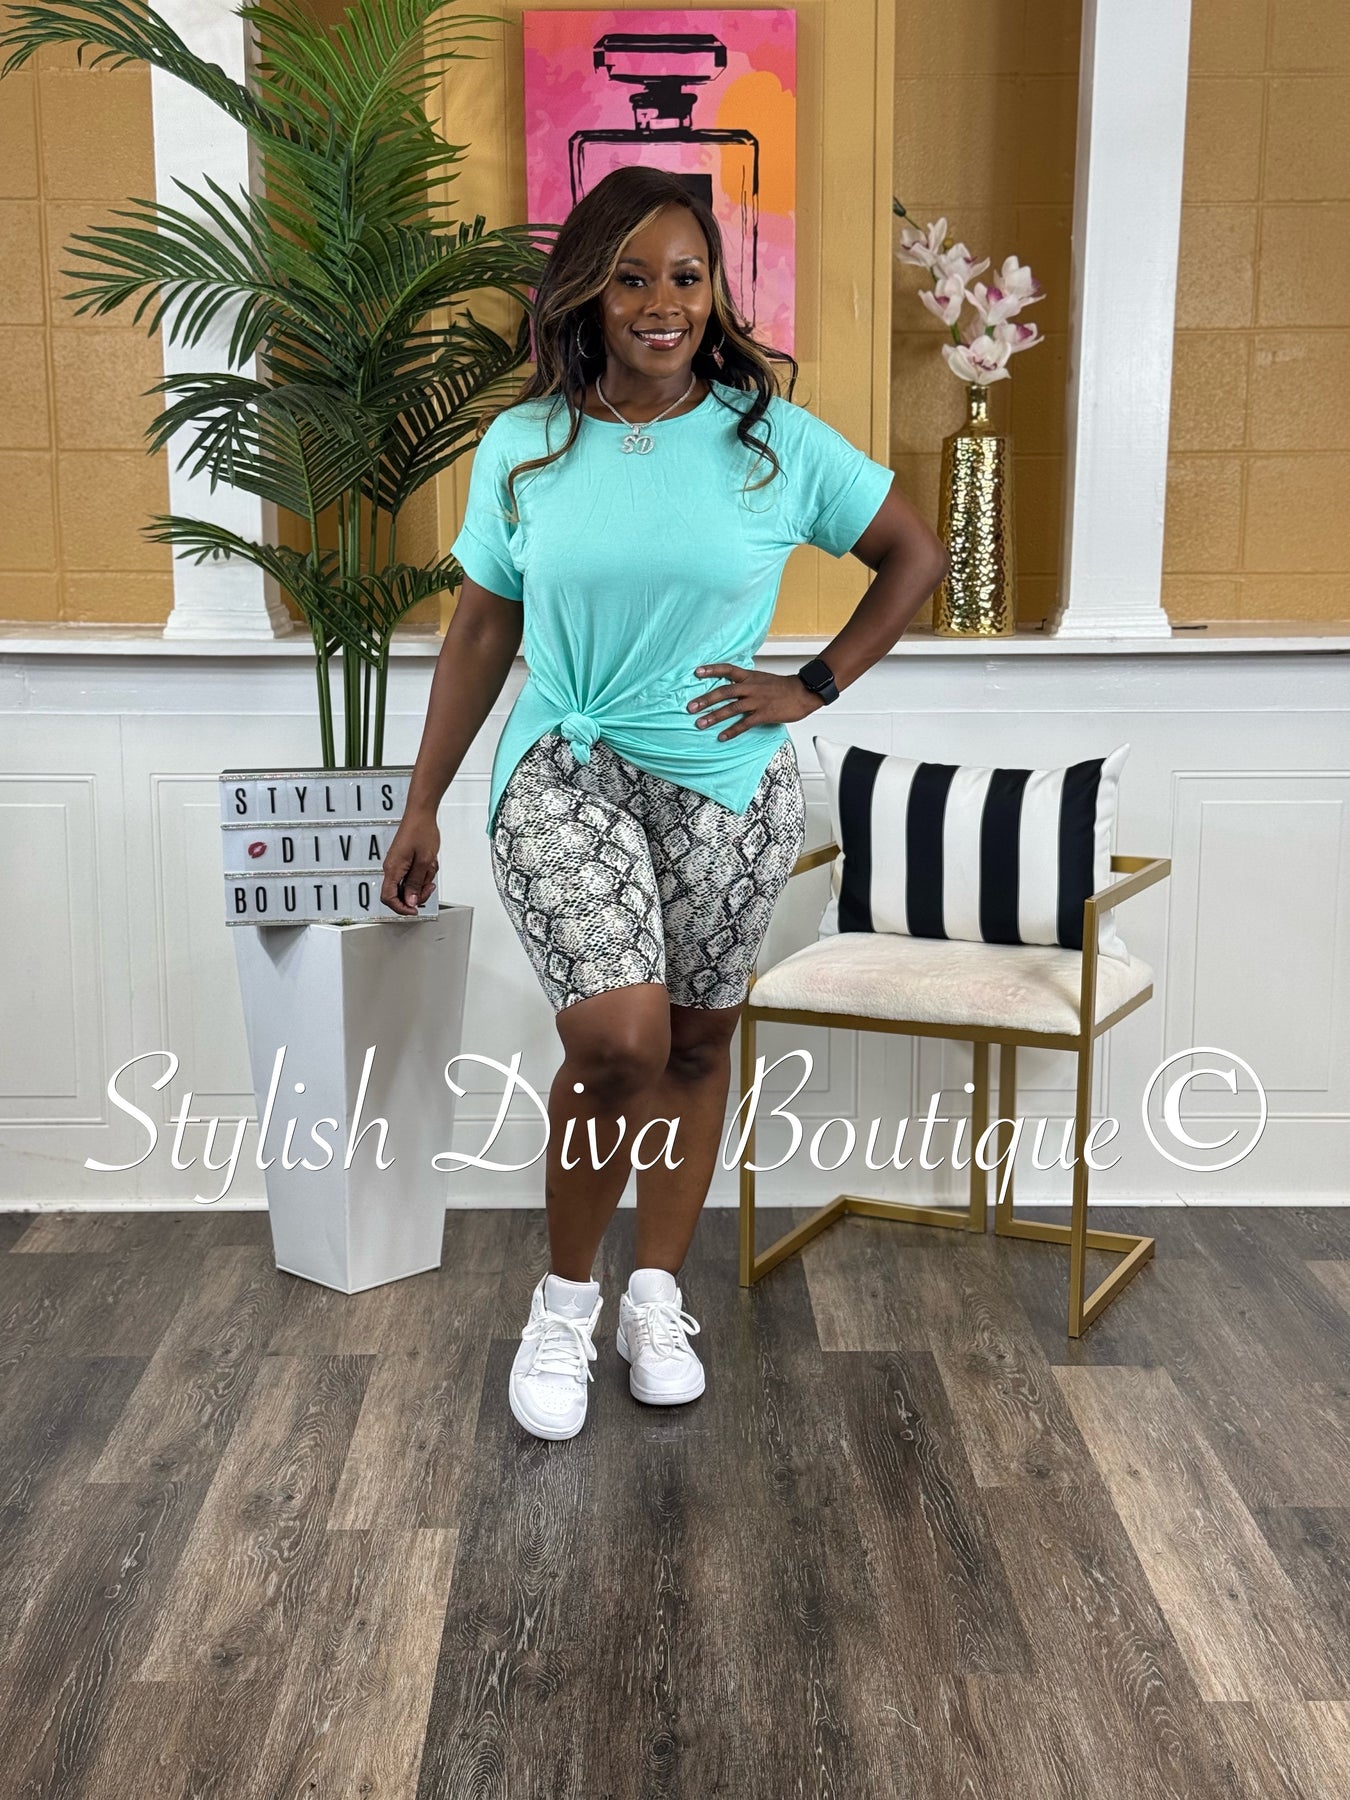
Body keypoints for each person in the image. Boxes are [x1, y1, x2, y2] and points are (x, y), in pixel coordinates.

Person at [381, 165, 948, 1442]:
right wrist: (421, 804)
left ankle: (653, 1299)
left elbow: (913, 555)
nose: (662, 303)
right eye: (632, 278)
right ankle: (562, 1306)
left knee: (694, 1044)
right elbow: (481, 631)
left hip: (726, 781)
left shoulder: (769, 440)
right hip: (565, 763)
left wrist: (811, 683)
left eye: (686, 277)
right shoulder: (527, 443)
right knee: (618, 1042)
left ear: (715, 291)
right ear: (588, 292)